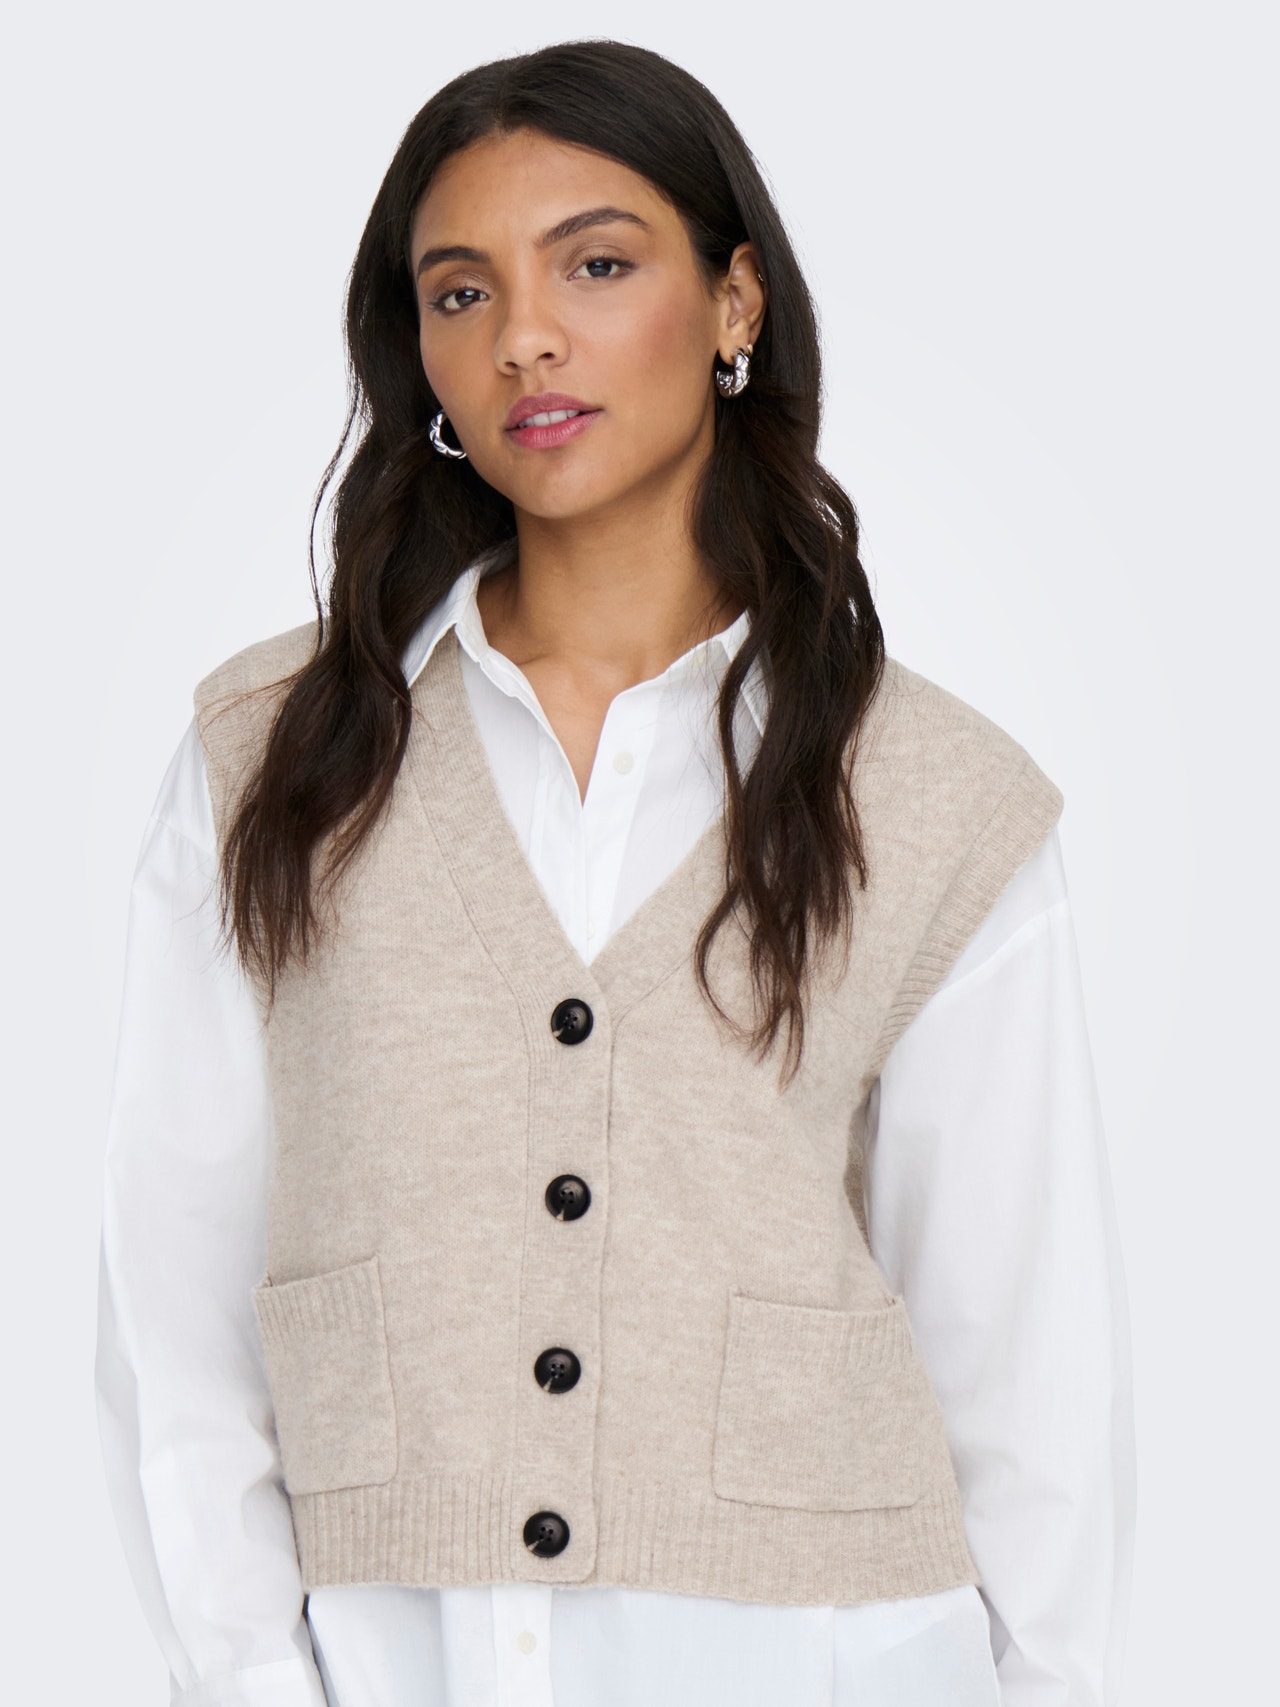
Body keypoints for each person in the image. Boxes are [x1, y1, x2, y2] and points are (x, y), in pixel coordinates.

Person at [94, 39, 1135, 1707]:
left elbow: (1029, 1380)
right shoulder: (267, 769)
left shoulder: (940, 802)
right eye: (460, 293)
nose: (524, 336)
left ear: (736, 303)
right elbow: (175, 1323)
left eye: (595, 264)